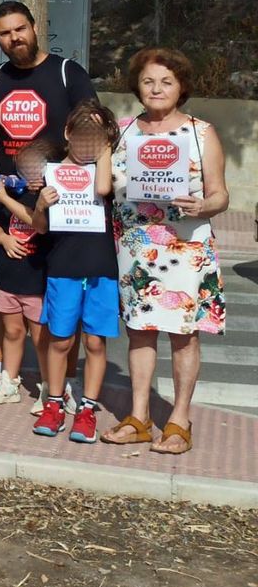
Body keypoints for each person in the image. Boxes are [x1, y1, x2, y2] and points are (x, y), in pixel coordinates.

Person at [0, 1, 96, 392]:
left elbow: (91, 132)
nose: (14, 38)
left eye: (19, 29)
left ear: (34, 26)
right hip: (7, 198)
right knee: (3, 286)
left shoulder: (67, 73)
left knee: (60, 291)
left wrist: (83, 184)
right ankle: (0, 367)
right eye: (5, 34)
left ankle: (63, 380)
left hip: (55, 201)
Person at [103, 48, 230, 455]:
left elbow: (220, 194)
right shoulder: (121, 132)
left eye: (166, 81)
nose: (156, 89)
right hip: (136, 248)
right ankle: (138, 417)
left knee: (183, 335)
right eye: (148, 81)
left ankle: (179, 420)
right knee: (139, 332)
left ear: (181, 87)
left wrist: (203, 205)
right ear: (136, 86)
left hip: (186, 247)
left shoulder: (201, 133)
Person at [30, 101, 120, 442]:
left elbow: (102, 190)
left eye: (97, 136)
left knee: (95, 342)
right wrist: (40, 205)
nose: (89, 142)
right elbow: (39, 228)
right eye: (83, 134)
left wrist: (105, 149)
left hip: (101, 270)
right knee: (61, 339)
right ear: (68, 133)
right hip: (63, 269)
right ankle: (54, 402)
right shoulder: (51, 175)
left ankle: (87, 409)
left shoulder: (106, 172)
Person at [0, 139, 58, 405]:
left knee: (40, 337)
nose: (32, 176)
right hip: (9, 278)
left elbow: (41, 224)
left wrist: (2, 197)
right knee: (11, 331)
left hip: (37, 280)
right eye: (26, 169)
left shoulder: (51, 200)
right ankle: (8, 381)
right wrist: (3, 239)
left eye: (39, 169)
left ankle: (50, 387)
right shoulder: (14, 194)